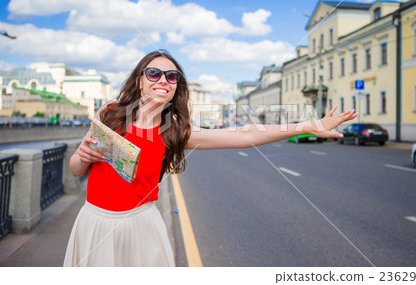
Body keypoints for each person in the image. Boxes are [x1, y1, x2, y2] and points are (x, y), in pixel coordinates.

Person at [63, 50, 358, 267]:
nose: (163, 79)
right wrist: (80, 154)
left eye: (172, 75)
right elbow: (77, 170)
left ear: (176, 85)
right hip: (96, 222)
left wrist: (308, 126)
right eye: (153, 73)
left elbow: (245, 135)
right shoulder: (109, 113)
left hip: (142, 227)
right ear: (140, 81)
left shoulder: (176, 131)